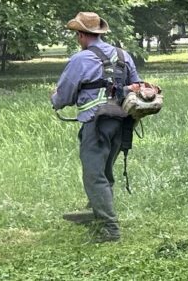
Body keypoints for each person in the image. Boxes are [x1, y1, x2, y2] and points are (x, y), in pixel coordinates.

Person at [51, 12, 141, 242]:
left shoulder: (80, 59)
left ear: (81, 35)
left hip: (96, 124)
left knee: (93, 175)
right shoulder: (123, 55)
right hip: (122, 123)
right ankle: (96, 215)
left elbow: (65, 95)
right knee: (105, 172)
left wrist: (55, 99)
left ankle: (110, 229)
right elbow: (136, 85)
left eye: (76, 34)